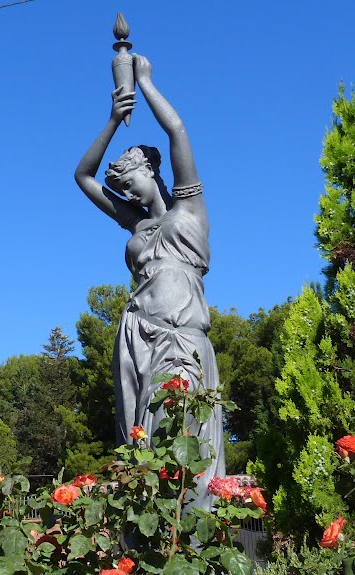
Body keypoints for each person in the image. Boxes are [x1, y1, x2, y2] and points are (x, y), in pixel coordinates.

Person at [73, 54, 224, 508]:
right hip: (135, 337)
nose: (126, 192)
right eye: (120, 188)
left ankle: (193, 544)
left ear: (152, 172)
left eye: (131, 180)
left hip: (179, 338)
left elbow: (177, 132)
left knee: (181, 437)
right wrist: (113, 120)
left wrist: (146, 83)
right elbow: (83, 176)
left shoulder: (188, 212)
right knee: (138, 444)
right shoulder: (136, 227)